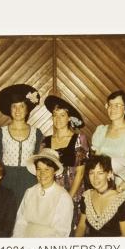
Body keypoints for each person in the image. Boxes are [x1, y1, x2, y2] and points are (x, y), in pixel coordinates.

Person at [41, 95, 89, 230]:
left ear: (69, 118)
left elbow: (80, 173)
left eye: (62, 115)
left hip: (73, 194)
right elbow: (42, 170)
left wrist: (67, 198)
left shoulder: (80, 138)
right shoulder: (46, 141)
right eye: (55, 115)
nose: (58, 119)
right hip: (52, 194)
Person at [0, 84, 43, 209]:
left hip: (29, 180)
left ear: (27, 109)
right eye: (14, 107)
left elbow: (39, 160)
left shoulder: (36, 133)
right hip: (7, 180)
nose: (18, 110)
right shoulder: (1, 132)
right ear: (9, 110)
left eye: (21, 106)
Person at [12, 148, 74, 238]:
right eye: (39, 169)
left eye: (47, 169)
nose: (42, 174)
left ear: (55, 171)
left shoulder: (63, 197)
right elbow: (20, 223)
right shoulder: (30, 192)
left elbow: (61, 233)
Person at [75, 155, 125, 237]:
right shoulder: (86, 196)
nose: (95, 178)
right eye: (91, 173)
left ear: (109, 174)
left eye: (100, 173)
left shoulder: (121, 201)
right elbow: (81, 226)